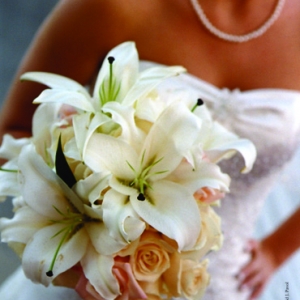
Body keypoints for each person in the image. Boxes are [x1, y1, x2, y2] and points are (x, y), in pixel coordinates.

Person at [1, 0, 300, 299]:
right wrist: (90, 259)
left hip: (227, 283)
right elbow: (13, 130)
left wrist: (276, 251)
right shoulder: (112, 7)